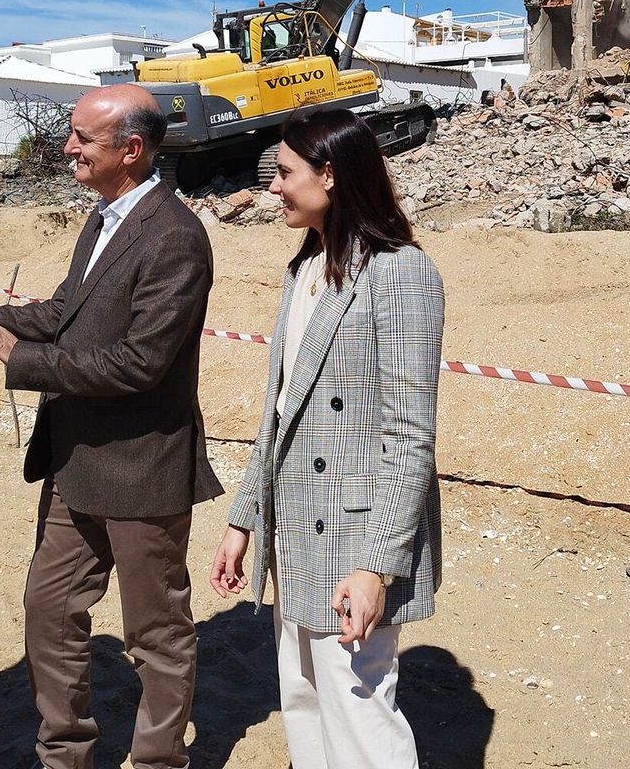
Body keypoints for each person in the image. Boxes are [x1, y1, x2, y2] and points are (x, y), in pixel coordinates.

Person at [0, 83, 221, 769]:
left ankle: (157, 762)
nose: (68, 147)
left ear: (132, 150)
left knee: (155, 637)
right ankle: (65, 754)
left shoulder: (174, 238)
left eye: (83, 136)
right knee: (49, 612)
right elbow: (65, 312)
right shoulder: (105, 217)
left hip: (142, 469)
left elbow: (140, 364)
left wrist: (20, 360)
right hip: (74, 460)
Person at [210, 109, 445, 769]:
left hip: (356, 541)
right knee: (305, 700)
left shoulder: (401, 273)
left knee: (361, 714)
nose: (274, 188)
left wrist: (377, 566)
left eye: (284, 174)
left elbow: (409, 437)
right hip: (297, 529)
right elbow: (279, 416)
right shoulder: (304, 269)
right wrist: (243, 519)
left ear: (331, 175)